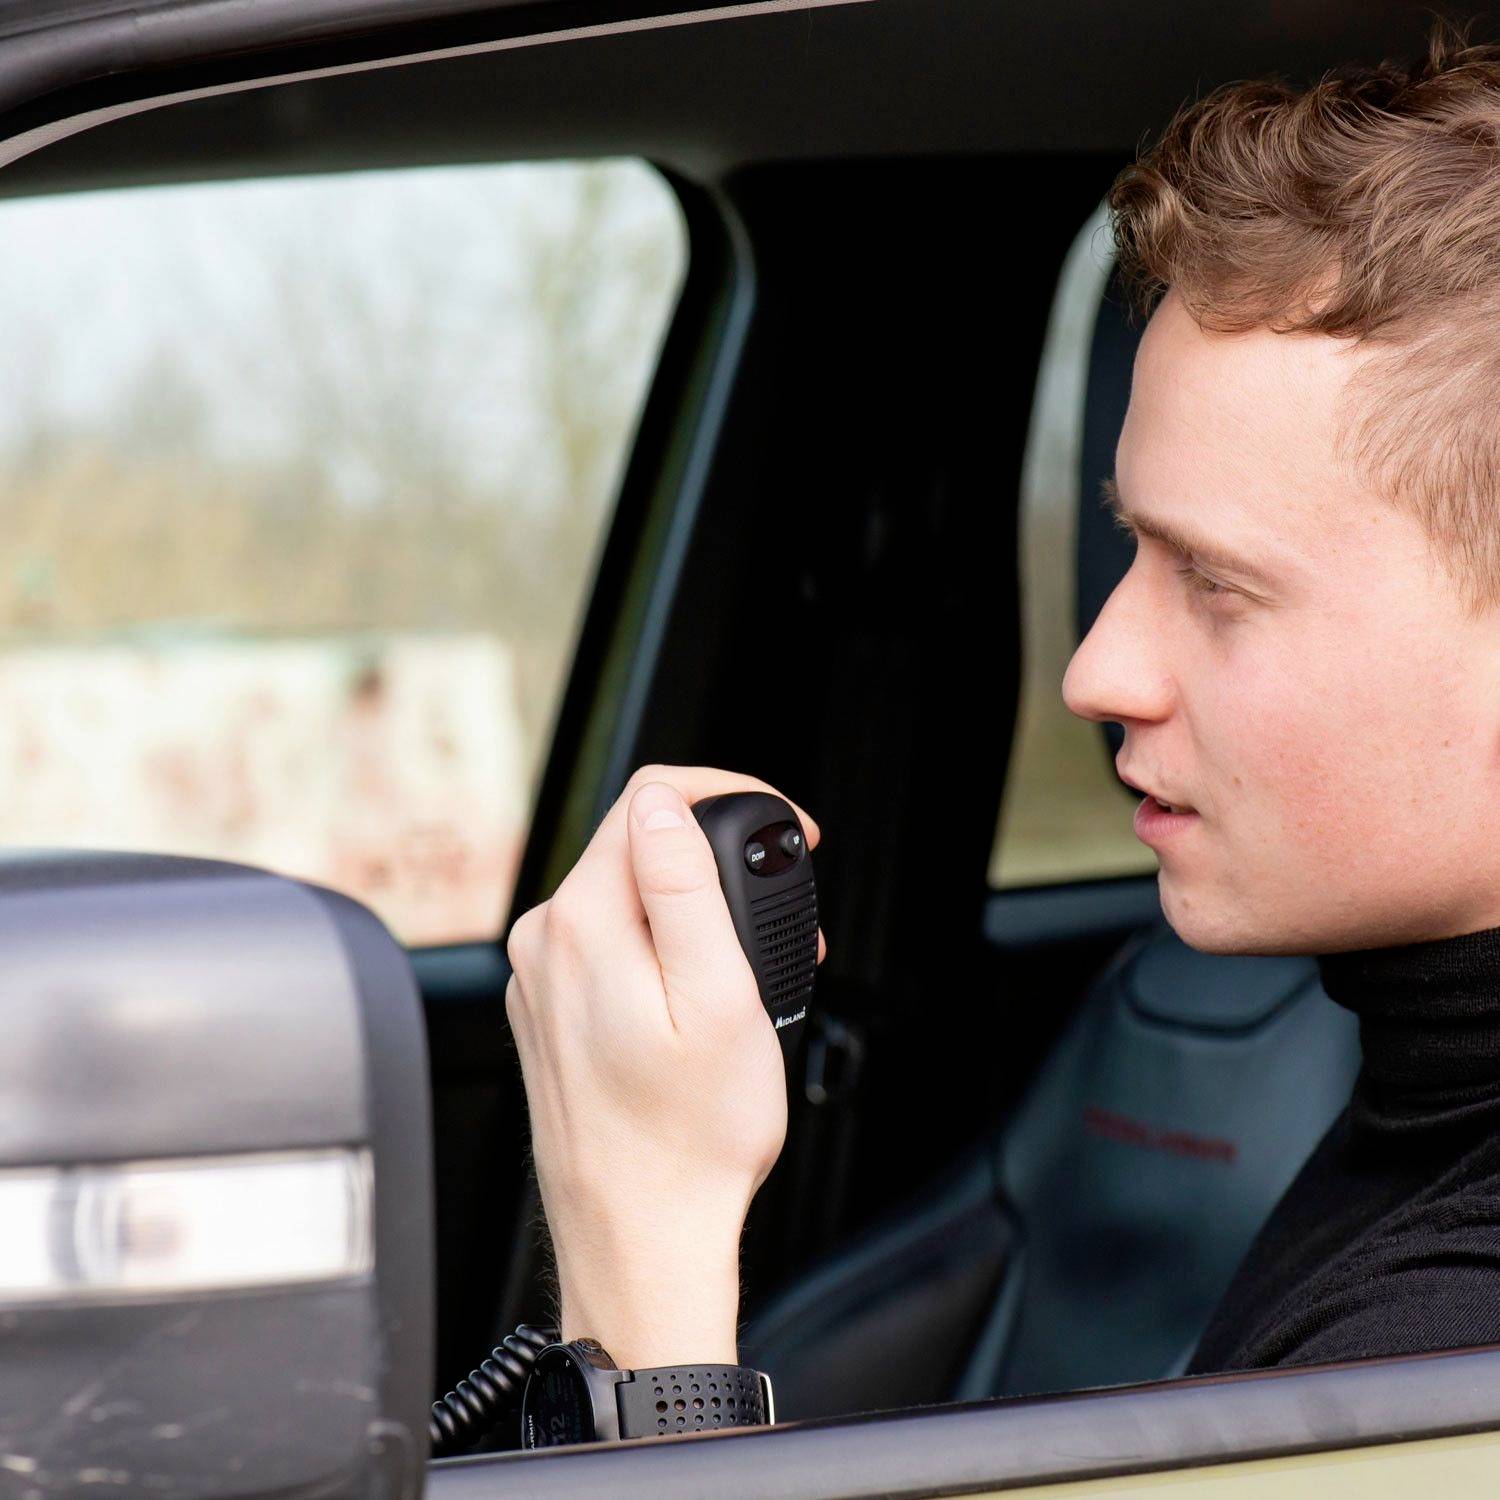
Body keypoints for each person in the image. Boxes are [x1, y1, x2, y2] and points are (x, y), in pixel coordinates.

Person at [503, 22, 1500, 1385]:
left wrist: (645, 1252)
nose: (1096, 674)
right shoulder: (1422, 1099)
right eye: (1127, 546)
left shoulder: (1445, 1341)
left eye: (1215, 583)